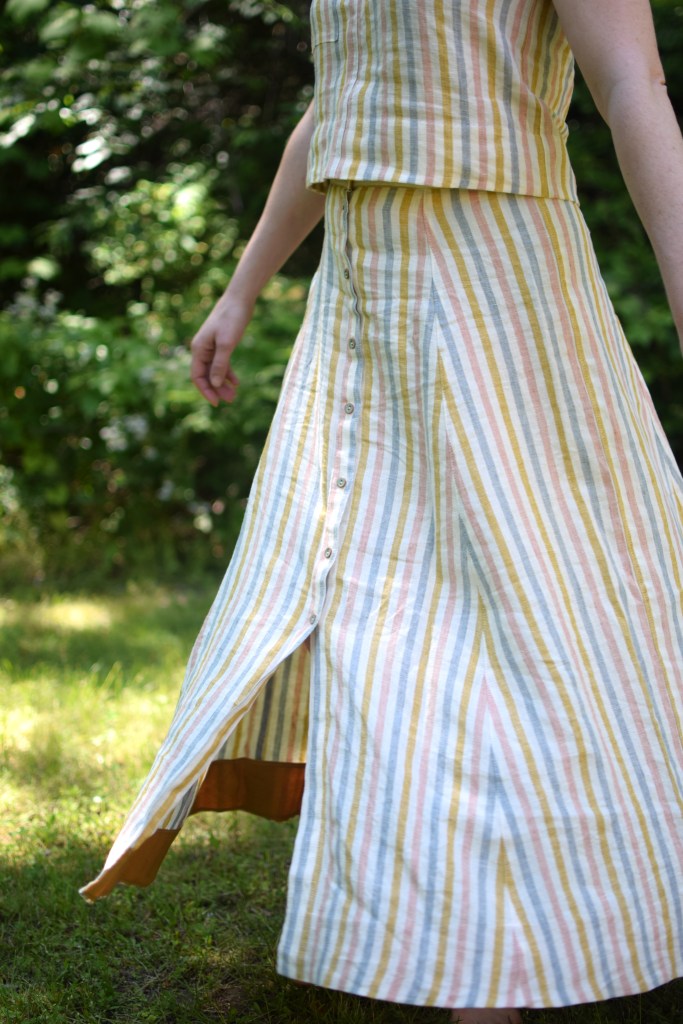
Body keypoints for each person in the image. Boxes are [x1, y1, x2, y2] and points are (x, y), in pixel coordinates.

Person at [81, 1, 683, 1021]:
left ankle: (510, 943)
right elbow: (343, 107)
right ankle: (446, 918)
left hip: (494, 290)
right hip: (362, 306)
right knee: (386, 612)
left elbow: (632, 87)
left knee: (523, 612)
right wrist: (240, 292)